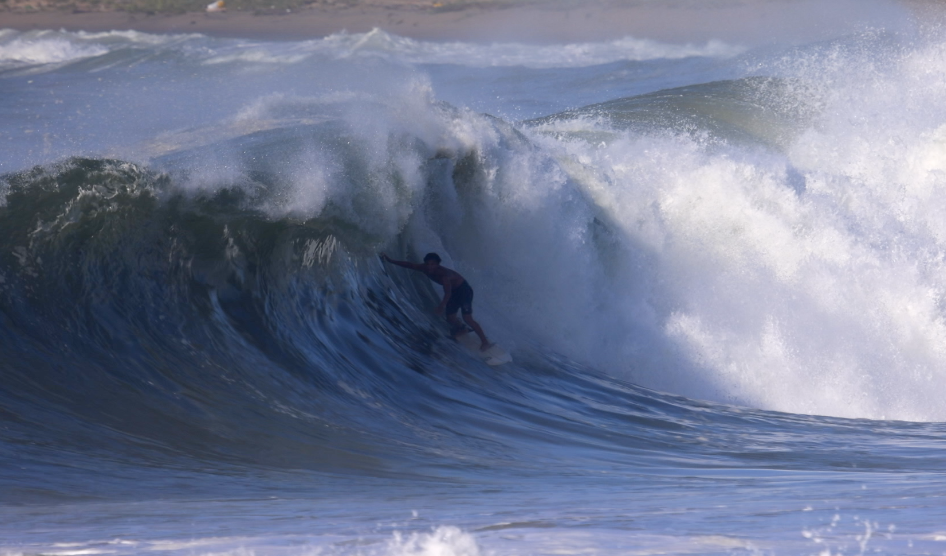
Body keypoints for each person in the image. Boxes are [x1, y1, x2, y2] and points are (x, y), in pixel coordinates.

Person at [380, 252, 492, 350]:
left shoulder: (444, 275)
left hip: (464, 291)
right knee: (450, 318)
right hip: (454, 292)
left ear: (438, 264)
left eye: (433, 264)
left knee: (467, 318)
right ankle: (462, 329)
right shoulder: (424, 268)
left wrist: (441, 306)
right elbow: (409, 265)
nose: (430, 267)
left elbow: (447, 293)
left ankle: (485, 342)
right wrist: (390, 260)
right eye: (428, 264)